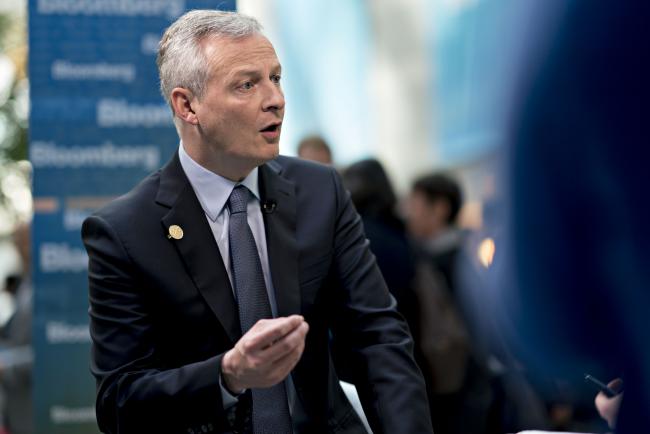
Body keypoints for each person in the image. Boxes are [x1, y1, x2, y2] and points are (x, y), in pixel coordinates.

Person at [81, 10, 432, 434]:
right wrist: (227, 375)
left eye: (276, 78)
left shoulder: (320, 190)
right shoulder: (124, 232)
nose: (276, 99)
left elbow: (378, 337)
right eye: (247, 84)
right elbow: (120, 401)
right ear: (187, 105)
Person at [0, 223, 33, 434]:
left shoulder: (46, 287)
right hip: (16, 407)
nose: (19, 248)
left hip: (33, 409)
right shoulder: (27, 283)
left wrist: (6, 366)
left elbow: (49, 350)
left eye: (22, 241)